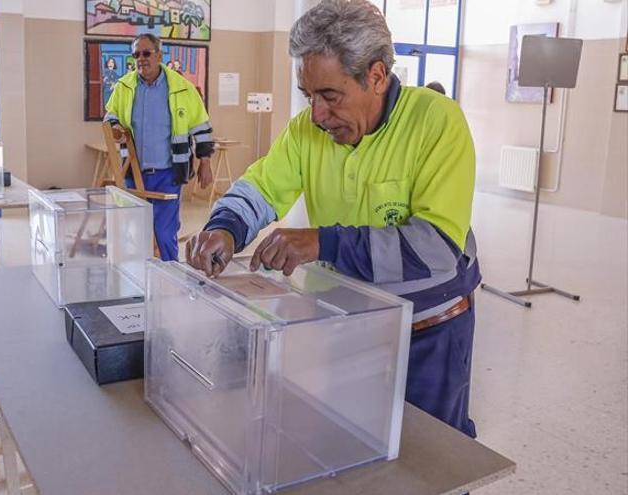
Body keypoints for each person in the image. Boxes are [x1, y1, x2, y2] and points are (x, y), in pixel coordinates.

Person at [186, 0, 480, 438]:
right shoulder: (308, 130)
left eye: (330, 96)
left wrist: (324, 243)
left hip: (428, 328)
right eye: (309, 96)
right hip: (352, 317)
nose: (317, 115)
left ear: (377, 76)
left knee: (431, 454)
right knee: (351, 438)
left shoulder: (437, 122)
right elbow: (262, 187)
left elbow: (435, 250)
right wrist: (225, 228)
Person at [105, 33, 214, 261]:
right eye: (136, 54)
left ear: (159, 55)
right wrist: (115, 127)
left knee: (165, 233)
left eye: (146, 53)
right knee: (132, 233)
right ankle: (135, 281)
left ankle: (169, 280)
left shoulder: (182, 88)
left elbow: (201, 127)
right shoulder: (124, 86)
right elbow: (110, 116)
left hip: (168, 173)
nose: (141, 59)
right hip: (133, 173)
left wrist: (205, 161)